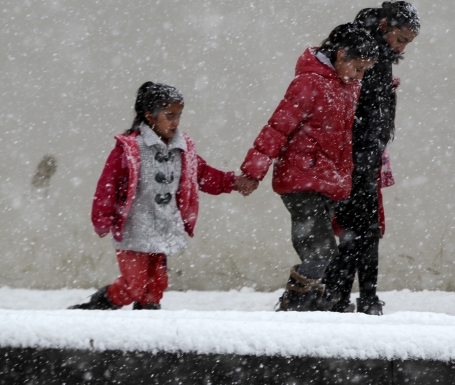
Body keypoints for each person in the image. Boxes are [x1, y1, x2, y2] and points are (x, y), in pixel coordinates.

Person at [69, 82, 256, 310]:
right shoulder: (130, 149)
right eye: (169, 116)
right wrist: (102, 218)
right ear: (150, 116)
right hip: (136, 229)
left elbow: (202, 173)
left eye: (178, 116)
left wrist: (232, 182)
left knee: (155, 285)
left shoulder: (182, 148)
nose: (175, 122)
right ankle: (95, 308)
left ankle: (147, 326)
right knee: (134, 285)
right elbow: (108, 184)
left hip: (164, 227)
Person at [238, 23, 378, 311]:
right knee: (321, 251)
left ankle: (308, 299)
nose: (360, 76)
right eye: (358, 68)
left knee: (324, 250)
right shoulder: (308, 84)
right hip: (301, 179)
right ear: (341, 55)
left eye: (366, 70)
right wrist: (254, 171)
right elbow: (277, 128)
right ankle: (297, 300)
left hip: (326, 181)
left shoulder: (348, 86)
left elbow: (343, 137)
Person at [323, 1, 420, 315]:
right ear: (384, 27)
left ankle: (351, 296)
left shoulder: (377, 51)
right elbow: (355, 105)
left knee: (360, 227)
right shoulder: (366, 52)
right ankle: (354, 297)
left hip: (365, 151)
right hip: (356, 152)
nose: (402, 46)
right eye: (401, 39)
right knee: (362, 227)